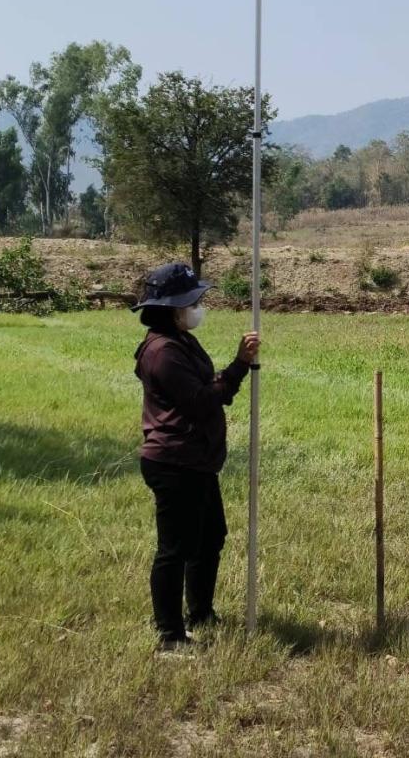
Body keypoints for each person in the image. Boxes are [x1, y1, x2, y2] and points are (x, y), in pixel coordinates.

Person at [131, 262, 260, 650]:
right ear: (173, 308)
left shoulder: (181, 340)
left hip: (196, 461)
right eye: (193, 301)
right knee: (175, 549)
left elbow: (206, 387)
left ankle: (200, 612)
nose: (198, 307)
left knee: (209, 538)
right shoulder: (163, 351)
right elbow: (203, 401)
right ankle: (169, 634)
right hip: (174, 463)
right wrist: (239, 365)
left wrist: (231, 372)